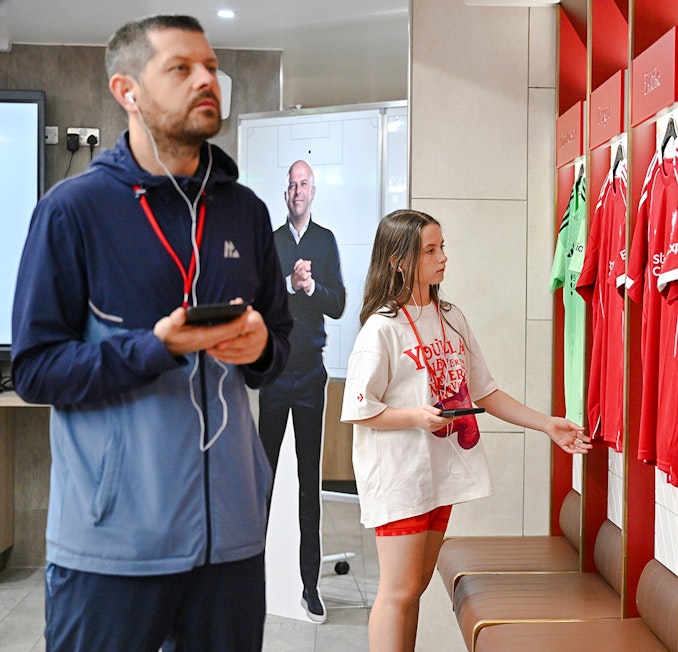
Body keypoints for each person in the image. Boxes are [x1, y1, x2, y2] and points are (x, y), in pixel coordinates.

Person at [10, 15, 293, 651]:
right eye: (181, 68)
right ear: (127, 91)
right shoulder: (72, 211)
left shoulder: (245, 211)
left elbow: (278, 342)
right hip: (112, 546)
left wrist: (261, 348)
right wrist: (155, 349)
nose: (206, 80)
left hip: (233, 540)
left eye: (211, 68)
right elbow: (34, 369)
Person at [341, 209, 592, 651]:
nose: (444, 258)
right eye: (431, 251)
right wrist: (415, 417)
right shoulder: (382, 327)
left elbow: (485, 392)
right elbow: (360, 410)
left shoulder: (451, 316)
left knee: (413, 588)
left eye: (443, 247)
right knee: (397, 592)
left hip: (438, 476)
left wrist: (545, 424)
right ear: (400, 261)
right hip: (399, 477)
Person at [259, 159, 346, 623]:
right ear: (285, 192)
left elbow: (339, 303)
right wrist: (289, 286)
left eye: (304, 184)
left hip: (311, 376)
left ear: (313, 191)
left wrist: (312, 288)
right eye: (291, 184)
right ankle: (254, 580)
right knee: (264, 481)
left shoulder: (325, 241)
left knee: (308, 483)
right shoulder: (270, 243)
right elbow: (257, 302)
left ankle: (309, 587)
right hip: (274, 375)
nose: (297, 191)